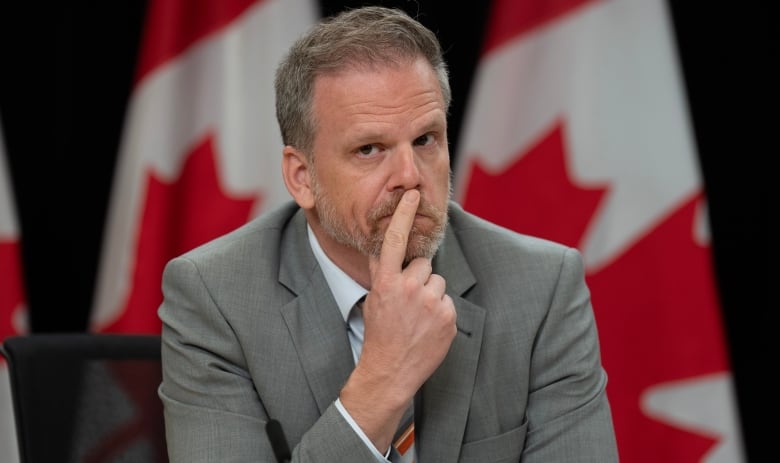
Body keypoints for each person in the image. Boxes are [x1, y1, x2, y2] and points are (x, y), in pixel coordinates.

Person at [158, 5, 619, 462]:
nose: (410, 175)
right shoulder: (215, 298)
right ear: (301, 177)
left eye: (425, 140)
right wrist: (384, 378)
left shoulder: (543, 288)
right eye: (370, 149)